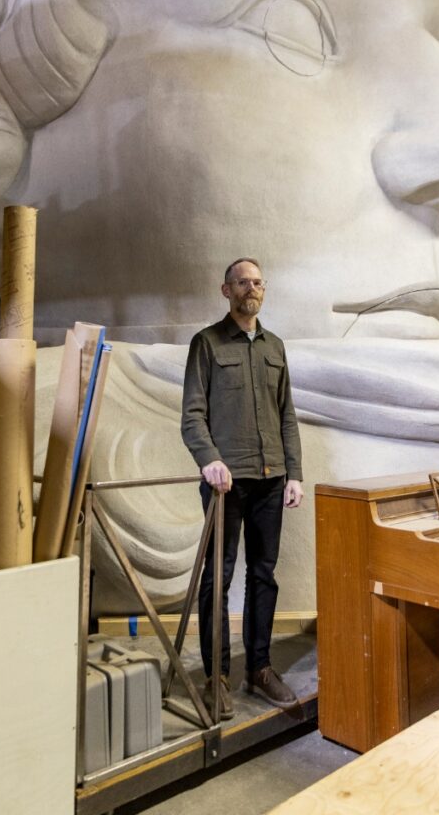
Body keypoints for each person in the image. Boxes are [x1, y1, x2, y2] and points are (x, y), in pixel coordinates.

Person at [181, 257, 303, 718]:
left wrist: (295, 473)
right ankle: (217, 677)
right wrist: (209, 460)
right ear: (225, 290)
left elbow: (286, 414)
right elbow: (192, 414)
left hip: (272, 480)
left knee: (263, 575)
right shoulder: (206, 345)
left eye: (256, 283)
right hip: (224, 487)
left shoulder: (276, 347)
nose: (250, 289)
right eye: (241, 283)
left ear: (263, 291)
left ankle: (259, 668)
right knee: (218, 578)